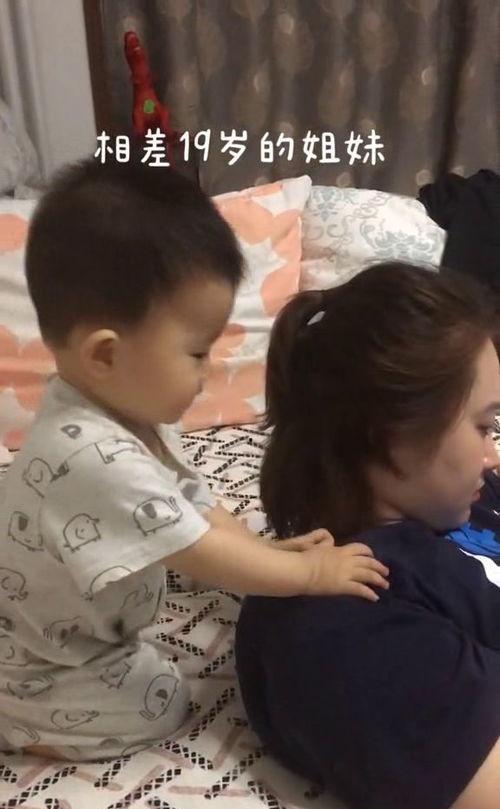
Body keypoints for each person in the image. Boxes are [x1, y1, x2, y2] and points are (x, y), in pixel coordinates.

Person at [0, 157, 389, 763]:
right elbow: (200, 550)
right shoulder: (90, 455)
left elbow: (194, 504)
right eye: (198, 353)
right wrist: (310, 576)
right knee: (162, 701)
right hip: (43, 662)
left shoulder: (123, 411)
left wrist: (262, 555)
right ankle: (24, 726)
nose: (210, 372)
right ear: (106, 355)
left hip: (70, 618)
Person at [235, 261, 500, 809]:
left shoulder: (452, 496)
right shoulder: (340, 625)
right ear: (387, 434)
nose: (491, 454)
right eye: (484, 425)